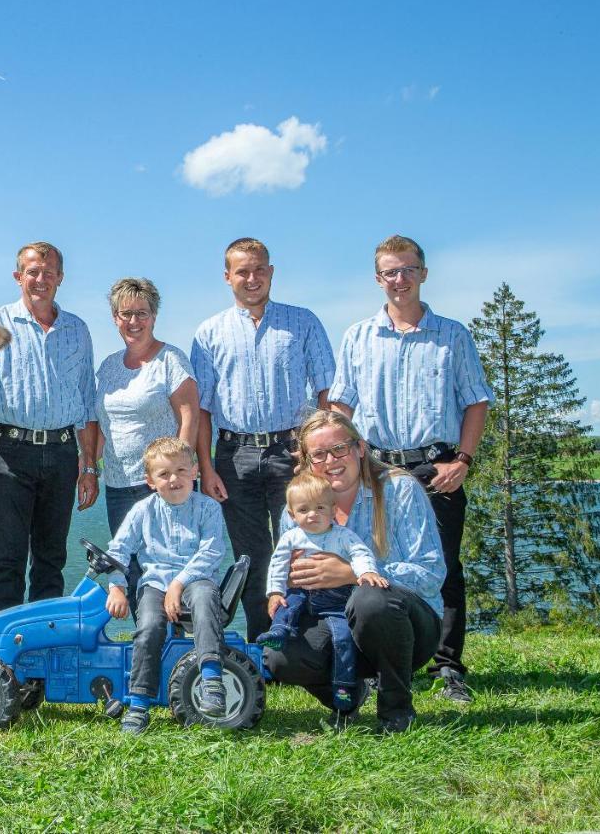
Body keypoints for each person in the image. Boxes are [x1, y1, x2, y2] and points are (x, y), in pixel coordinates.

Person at [328, 234, 493, 704]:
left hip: (437, 466)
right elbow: (341, 405)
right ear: (377, 279)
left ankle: (448, 668)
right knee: (375, 565)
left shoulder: (453, 334)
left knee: (443, 567)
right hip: (377, 468)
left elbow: (476, 402)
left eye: (407, 269)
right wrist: (346, 460)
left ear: (423, 272)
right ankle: (383, 663)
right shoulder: (357, 336)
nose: (399, 280)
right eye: (389, 272)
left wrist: (463, 460)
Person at [190, 237, 336, 640]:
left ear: (271, 272)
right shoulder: (209, 333)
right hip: (233, 455)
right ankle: (263, 643)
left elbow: (328, 391)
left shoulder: (303, 322)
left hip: (292, 452)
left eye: (259, 269)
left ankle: (309, 639)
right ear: (227, 277)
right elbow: (201, 407)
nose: (251, 278)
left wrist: (318, 454)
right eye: (242, 271)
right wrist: (206, 467)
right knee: (249, 556)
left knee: (303, 545)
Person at [264, 410, 446, 732]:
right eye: (318, 454)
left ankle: (396, 710)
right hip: (335, 620)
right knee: (281, 657)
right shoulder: (295, 510)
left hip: (408, 629)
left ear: (360, 448)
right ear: (306, 462)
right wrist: (285, 588)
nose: (331, 460)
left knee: (370, 599)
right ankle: (348, 690)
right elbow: (288, 572)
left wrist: (351, 573)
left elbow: (431, 573)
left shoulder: (399, 490)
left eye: (339, 448)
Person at [0, 241, 98, 614]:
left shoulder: (78, 330)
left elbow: (87, 403)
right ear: (18, 277)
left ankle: (43, 650)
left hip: (64, 453)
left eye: (49, 273)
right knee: (8, 558)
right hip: (9, 453)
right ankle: (1, 654)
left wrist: (89, 467)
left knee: (52, 559)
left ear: (60, 278)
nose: (41, 279)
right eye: (33, 272)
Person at [104, 437, 229, 734]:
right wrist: (117, 586)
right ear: (150, 481)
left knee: (203, 598)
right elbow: (118, 549)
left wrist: (179, 583)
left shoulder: (208, 509)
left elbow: (212, 551)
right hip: (154, 584)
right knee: (148, 626)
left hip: (196, 579)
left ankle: (212, 679)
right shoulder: (142, 511)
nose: (174, 479)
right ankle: (139, 703)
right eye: (164, 474)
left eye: (181, 471)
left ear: (195, 472)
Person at [89, 277, 199, 610]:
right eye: (126, 314)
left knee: (168, 572)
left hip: (161, 487)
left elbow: (189, 416)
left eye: (142, 313)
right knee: (130, 570)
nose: (134, 322)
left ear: (154, 316)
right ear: (115, 318)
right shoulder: (108, 367)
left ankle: (180, 649)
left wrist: (178, 476)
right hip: (119, 487)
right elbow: (103, 425)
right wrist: (90, 469)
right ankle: (147, 646)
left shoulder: (171, 361)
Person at [257, 472, 389, 712]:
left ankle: (345, 687)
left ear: (332, 510)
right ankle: (278, 631)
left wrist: (364, 572)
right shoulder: (291, 537)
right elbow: (277, 564)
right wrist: (274, 592)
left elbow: (361, 553)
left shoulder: (342, 535)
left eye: (319, 508)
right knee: (287, 605)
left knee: (343, 638)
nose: (312, 515)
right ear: (292, 514)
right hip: (302, 592)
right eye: (304, 510)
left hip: (336, 599)